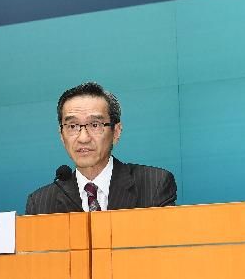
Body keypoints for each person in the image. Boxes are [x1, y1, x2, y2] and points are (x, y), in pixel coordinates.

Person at [25, 82, 176, 214]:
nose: (83, 138)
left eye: (95, 125)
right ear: (61, 135)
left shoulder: (154, 185)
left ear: (116, 132)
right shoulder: (40, 203)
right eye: (72, 126)